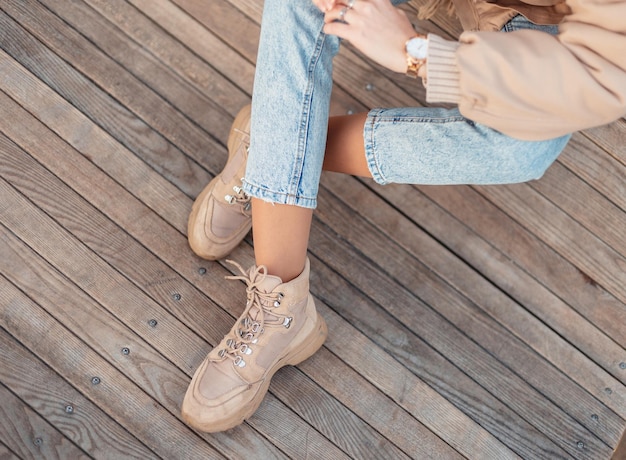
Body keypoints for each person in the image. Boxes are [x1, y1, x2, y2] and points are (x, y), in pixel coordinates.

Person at [181, 0, 626, 433]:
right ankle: (284, 301)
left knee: (521, 149)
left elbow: (603, 71)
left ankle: (268, 148)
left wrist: (418, 53)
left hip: (533, 17)